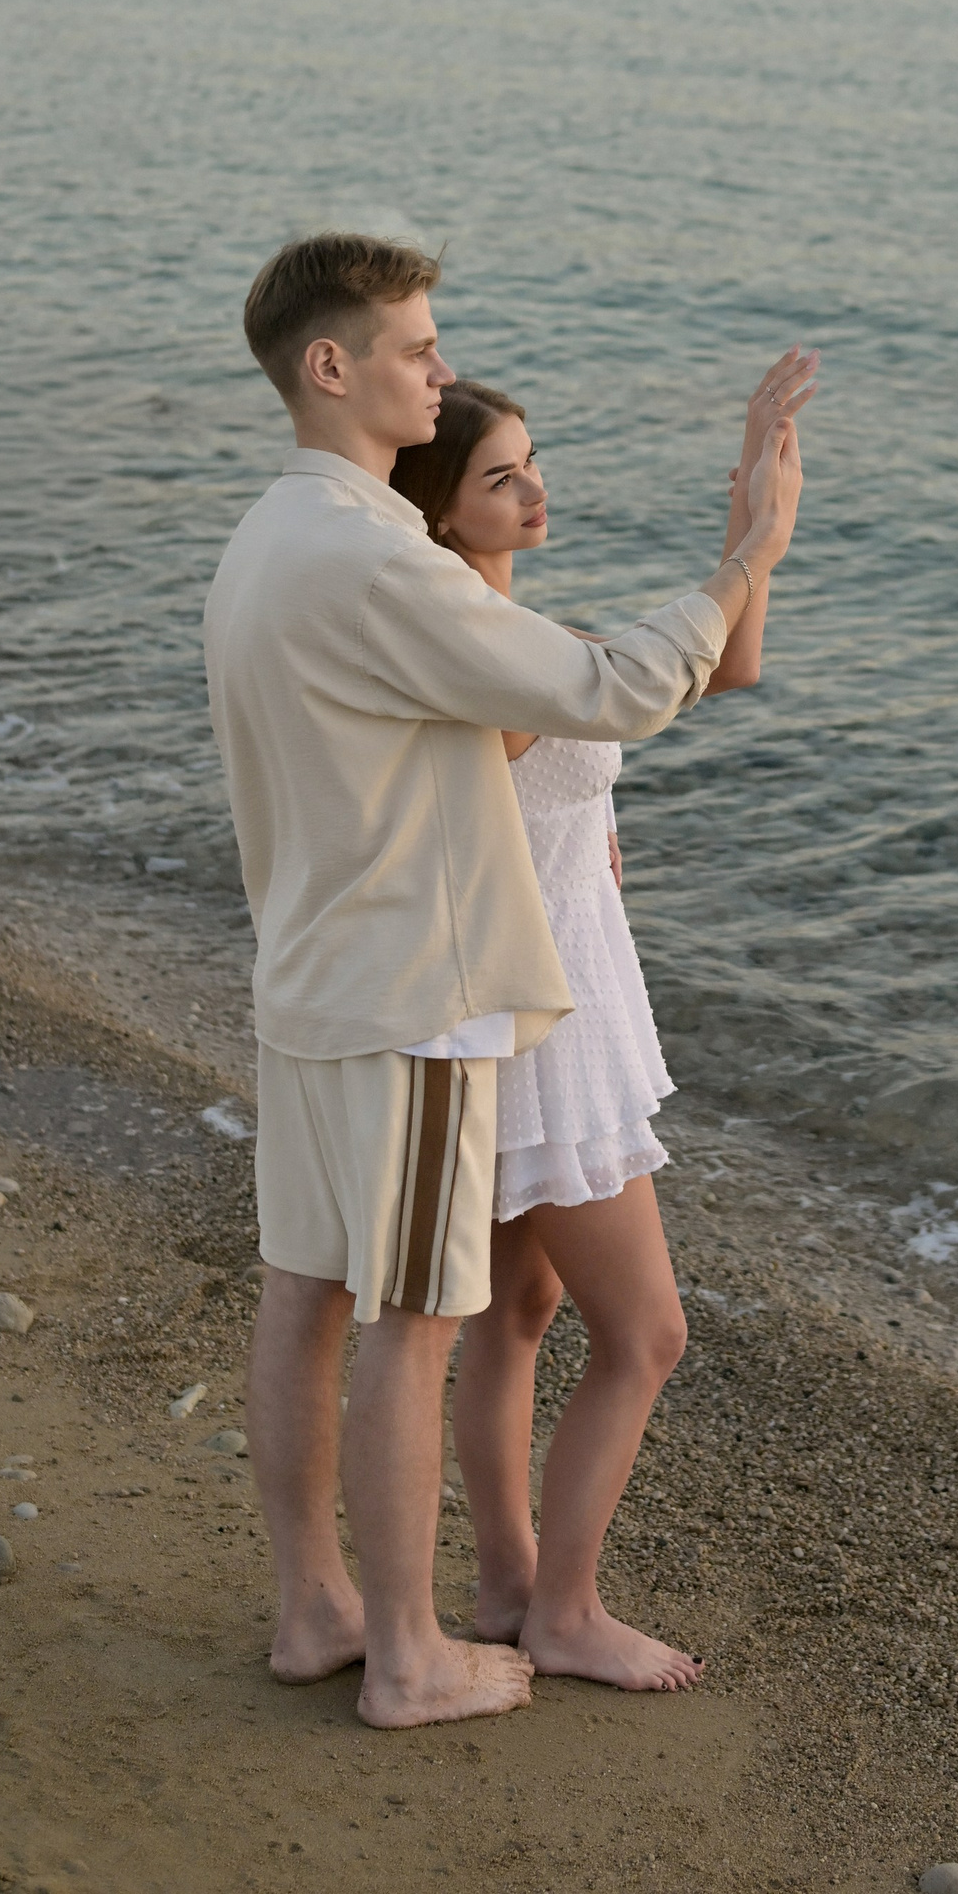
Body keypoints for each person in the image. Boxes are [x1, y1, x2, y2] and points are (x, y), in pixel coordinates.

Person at [202, 234, 803, 1730]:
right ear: (330, 366)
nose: (441, 366)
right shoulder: (374, 559)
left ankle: (318, 1608)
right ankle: (409, 1654)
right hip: (412, 994)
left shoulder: (270, 536)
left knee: (312, 1290)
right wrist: (749, 551)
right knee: (416, 1318)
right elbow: (606, 689)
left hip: (313, 972)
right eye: (416, 346)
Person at [391, 348, 816, 1693]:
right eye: (501, 477)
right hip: (547, 1021)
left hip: (544, 1000)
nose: (534, 489)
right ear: (440, 511)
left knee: (518, 1309)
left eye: (533, 463)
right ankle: (566, 1610)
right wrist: (749, 547)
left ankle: (510, 1581)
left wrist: (751, 512)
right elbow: (599, 698)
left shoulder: (514, 639)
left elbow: (724, 668)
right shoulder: (483, 656)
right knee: (646, 1334)